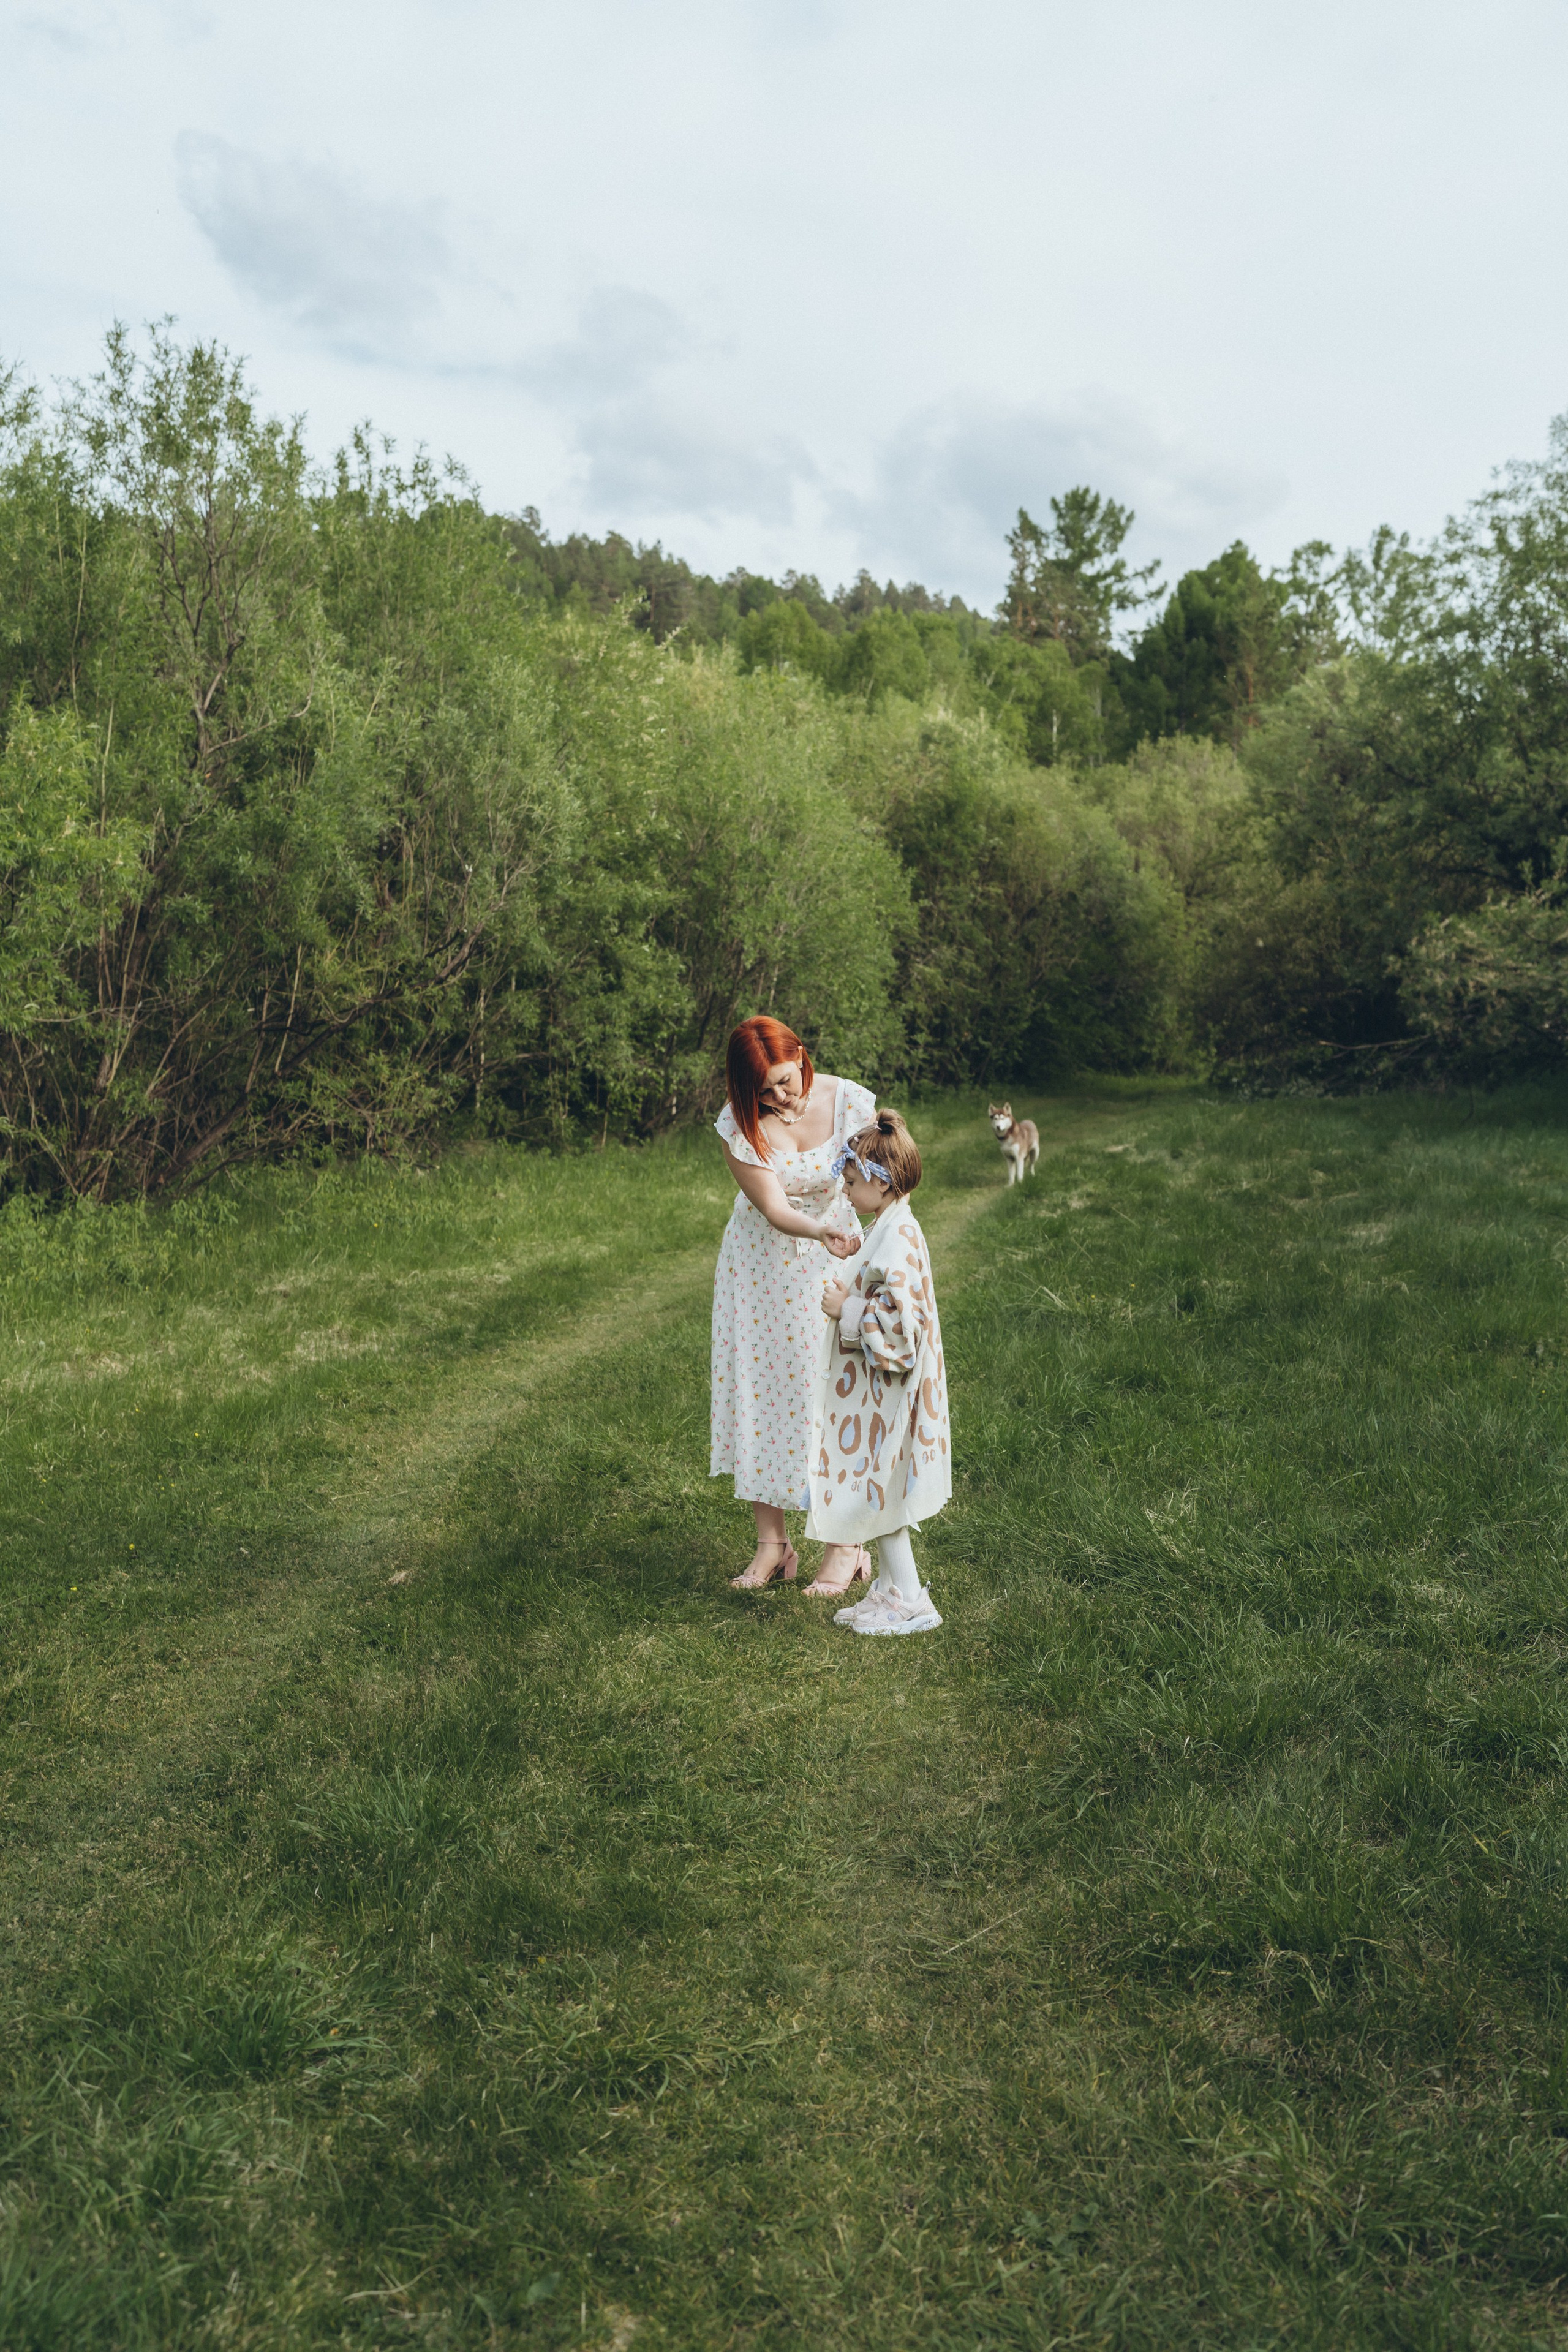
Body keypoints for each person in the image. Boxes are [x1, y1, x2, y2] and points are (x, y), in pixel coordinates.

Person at [710, 1016, 879, 1595]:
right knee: (762, 1391)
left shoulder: (849, 1101)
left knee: (835, 1394)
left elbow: (885, 1176)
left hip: (837, 1261)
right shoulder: (739, 1122)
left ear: (802, 1056)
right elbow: (775, 1209)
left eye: (786, 1079)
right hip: (763, 1268)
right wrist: (818, 1230)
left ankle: (847, 1543)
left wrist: (868, 1243)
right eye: (767, 1091)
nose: (782, 1096)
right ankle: (772, 1545)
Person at [809, 1110, 951, 1635]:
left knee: (883, 1490)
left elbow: (902, 1330)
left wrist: (846, 1309)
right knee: (880, 1487)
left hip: (893, 1394)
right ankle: (892, 1589)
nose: (844, 1192)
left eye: (850, 1182)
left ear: (880, 1181)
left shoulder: (900, 1238)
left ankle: (912, 1600)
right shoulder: (888, 1228)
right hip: (877, 1393)